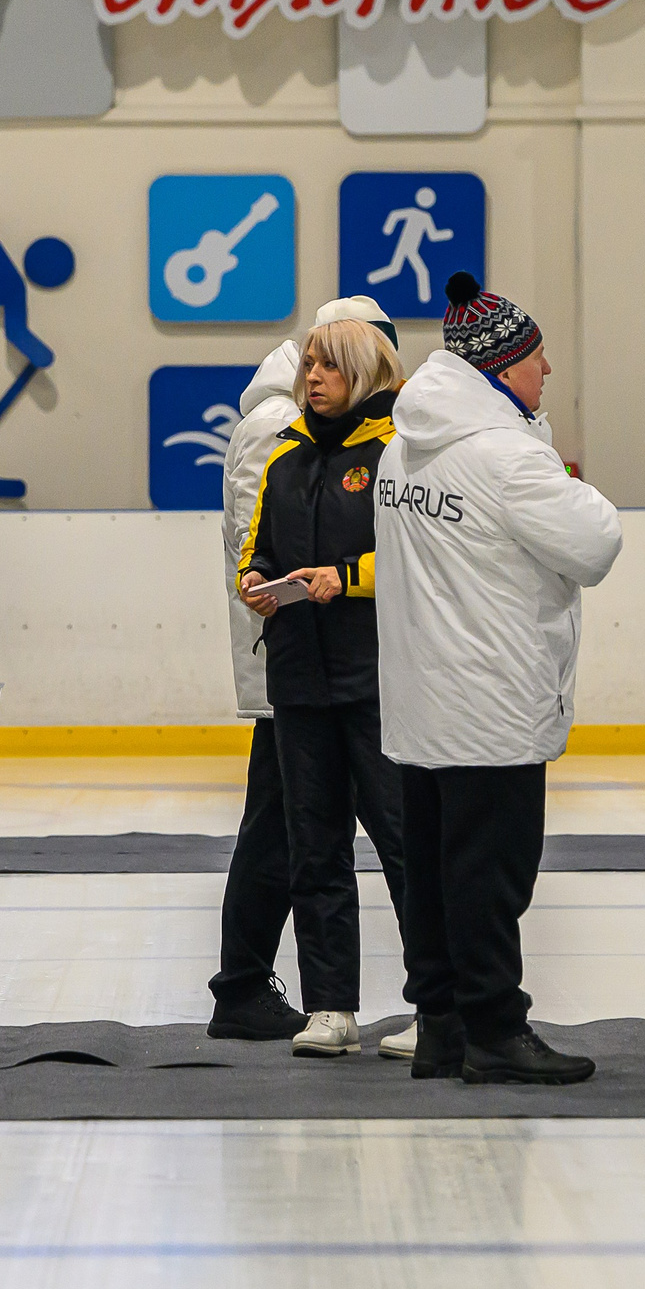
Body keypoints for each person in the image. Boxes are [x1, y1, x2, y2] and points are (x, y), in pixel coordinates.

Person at [376, 272, 622, 1086]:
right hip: (490, 701)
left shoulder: (402, 448)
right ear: (500, 366)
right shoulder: (509, 458)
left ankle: (441, 1023)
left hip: (422, 704)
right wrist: (570, 479)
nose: (547, 368)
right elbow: (594, 544)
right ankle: (494, 1028)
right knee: (491, 876)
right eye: (535, 355)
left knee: (437, 874)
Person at [209, 300, 403, 1046]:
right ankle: (258, 984)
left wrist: (341, 576)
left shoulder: (372, 439)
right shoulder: (280, 435)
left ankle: (253, 981)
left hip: (340, 667)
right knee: (297, 835)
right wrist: (278, 583)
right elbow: (257, 543)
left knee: (319, 833)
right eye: (320, 361)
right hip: (298, 669)